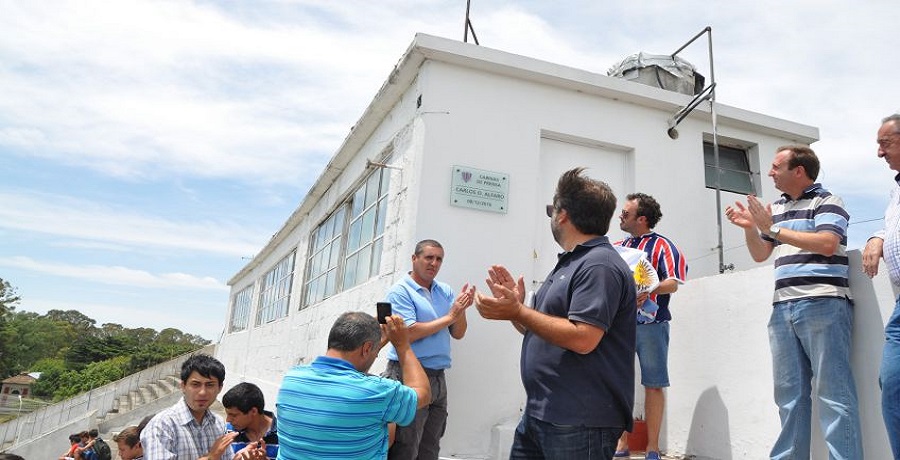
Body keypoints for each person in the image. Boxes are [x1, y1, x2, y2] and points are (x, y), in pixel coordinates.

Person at [475, 167, 637, 460]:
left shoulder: (598, 266)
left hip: (580, 422)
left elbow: (583, 338)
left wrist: (520, 311)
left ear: (562, 214)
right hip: (542, 415)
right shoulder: (570, 263)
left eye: (552, 209)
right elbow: (540, 329)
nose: (551, 216)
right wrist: (518, 309)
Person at [725, 145, 862, 459]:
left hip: (824, 303)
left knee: (834, 395)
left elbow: (828, 243)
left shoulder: (828, 202)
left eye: (776, 167)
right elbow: (761, 253)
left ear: (798, 170)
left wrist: (770, 228)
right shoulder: (776, 209)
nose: (770, 172)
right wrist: (750, 228)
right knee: (789, 398)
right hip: (783, 308)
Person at [276, 311, 431, 459]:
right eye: (374, 351)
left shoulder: (291, 378)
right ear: (366, 348)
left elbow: (353, 380)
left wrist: (370, 349)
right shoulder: (378, 392)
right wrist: (402, 345)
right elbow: (423, 393)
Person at [381, 239, 475, 460]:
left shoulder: (445, 291)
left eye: (439, 259)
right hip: (408, 376)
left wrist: (460, 311)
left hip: (438, 378)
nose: (434, 263)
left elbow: (458, 333)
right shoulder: (400, 291)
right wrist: (450, 316)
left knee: (430, 447)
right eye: (428, 257)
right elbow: (408, 332)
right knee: (406, 446)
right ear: (415, 259)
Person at [614, 193, 687, 460]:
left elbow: (674, 282)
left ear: (641, 219)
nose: (620, 217)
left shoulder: (663, 246)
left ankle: (652, 447)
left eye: (625, 213)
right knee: (618, 382)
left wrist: (650, 288)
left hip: (652, 324)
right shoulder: (617, 246)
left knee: (654, 384)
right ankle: (622, 444)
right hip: (619, 325)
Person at [862, 113, 900, 459]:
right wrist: (877, 235)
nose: (879, 153)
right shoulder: (896, 191)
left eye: (885, 144)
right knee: (892, 384)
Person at [140, 354, 238, 460]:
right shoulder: (162, 426)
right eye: (195, 384)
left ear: (220, 388)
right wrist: (210, 457)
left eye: (210, 385)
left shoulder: (219, 423)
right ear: (183, 386)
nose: (202, 392)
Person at [222, 382, 279, 459]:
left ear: (253, 411)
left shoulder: (283, 434)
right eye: (228, 414)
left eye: (234, 415)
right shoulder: (228, 432)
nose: (228, 420)